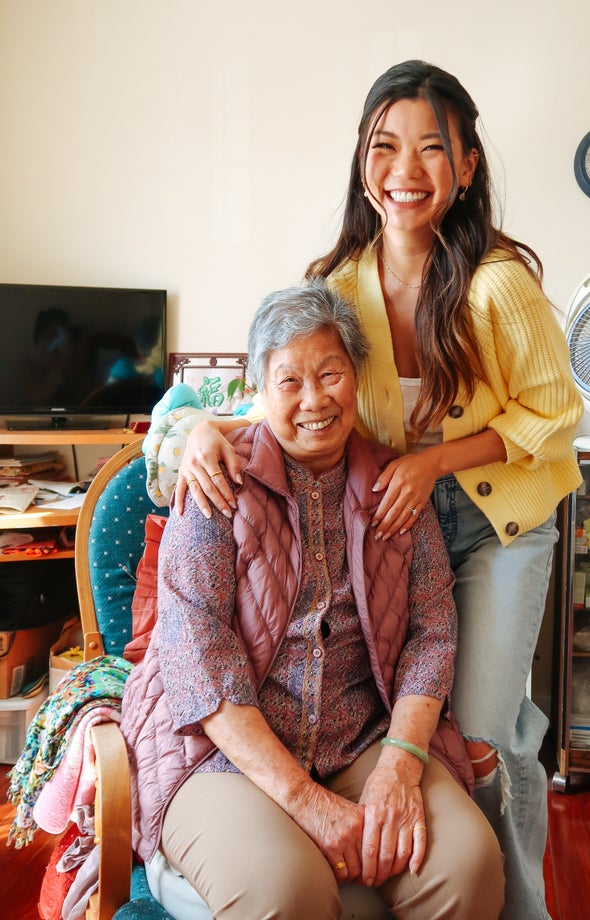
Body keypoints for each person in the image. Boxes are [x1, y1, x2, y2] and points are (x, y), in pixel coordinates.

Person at [167, 60, 583, 919]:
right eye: (385, 146)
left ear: (467, 165)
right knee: (449, 726)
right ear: (363, 161)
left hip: (497, 517)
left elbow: (554, 417)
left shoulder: (500, 283)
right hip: (400, 515)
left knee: (482, 736)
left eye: (433, 148)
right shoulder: (340, 278)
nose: (406, 169)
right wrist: (197, 431)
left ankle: (524, 905)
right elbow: (290, 380)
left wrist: (435, 461)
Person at [120, 282, 504, 920]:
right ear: (259, 388)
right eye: (290, 380)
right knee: (287, 894)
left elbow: (432, 634)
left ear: (357, 378)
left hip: (361, 739)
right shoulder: (217, 481)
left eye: (331, 373)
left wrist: (402, 763)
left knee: (467, 867)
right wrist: (306, 802)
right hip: (222, 752)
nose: (314, 399)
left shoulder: (396, 485)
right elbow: (199, 664)